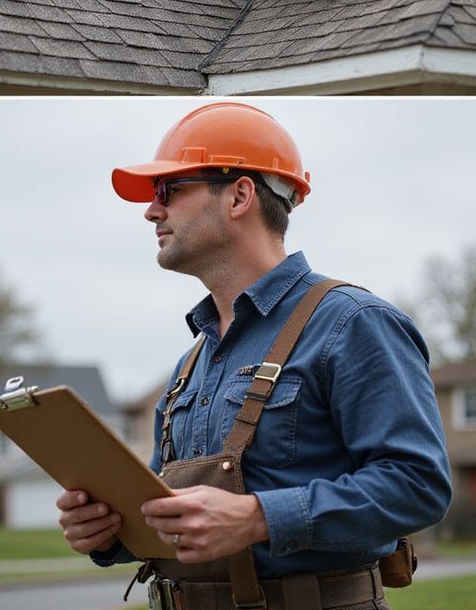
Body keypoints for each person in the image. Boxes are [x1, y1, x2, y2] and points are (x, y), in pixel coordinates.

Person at [56, 103, 451, 610]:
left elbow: (419, 485)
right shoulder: (189, 366)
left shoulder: (352, 324)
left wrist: (258, 517)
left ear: (240, 195)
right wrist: (109, 533)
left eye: (170, 191)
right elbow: (167, 511)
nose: (152, 211)